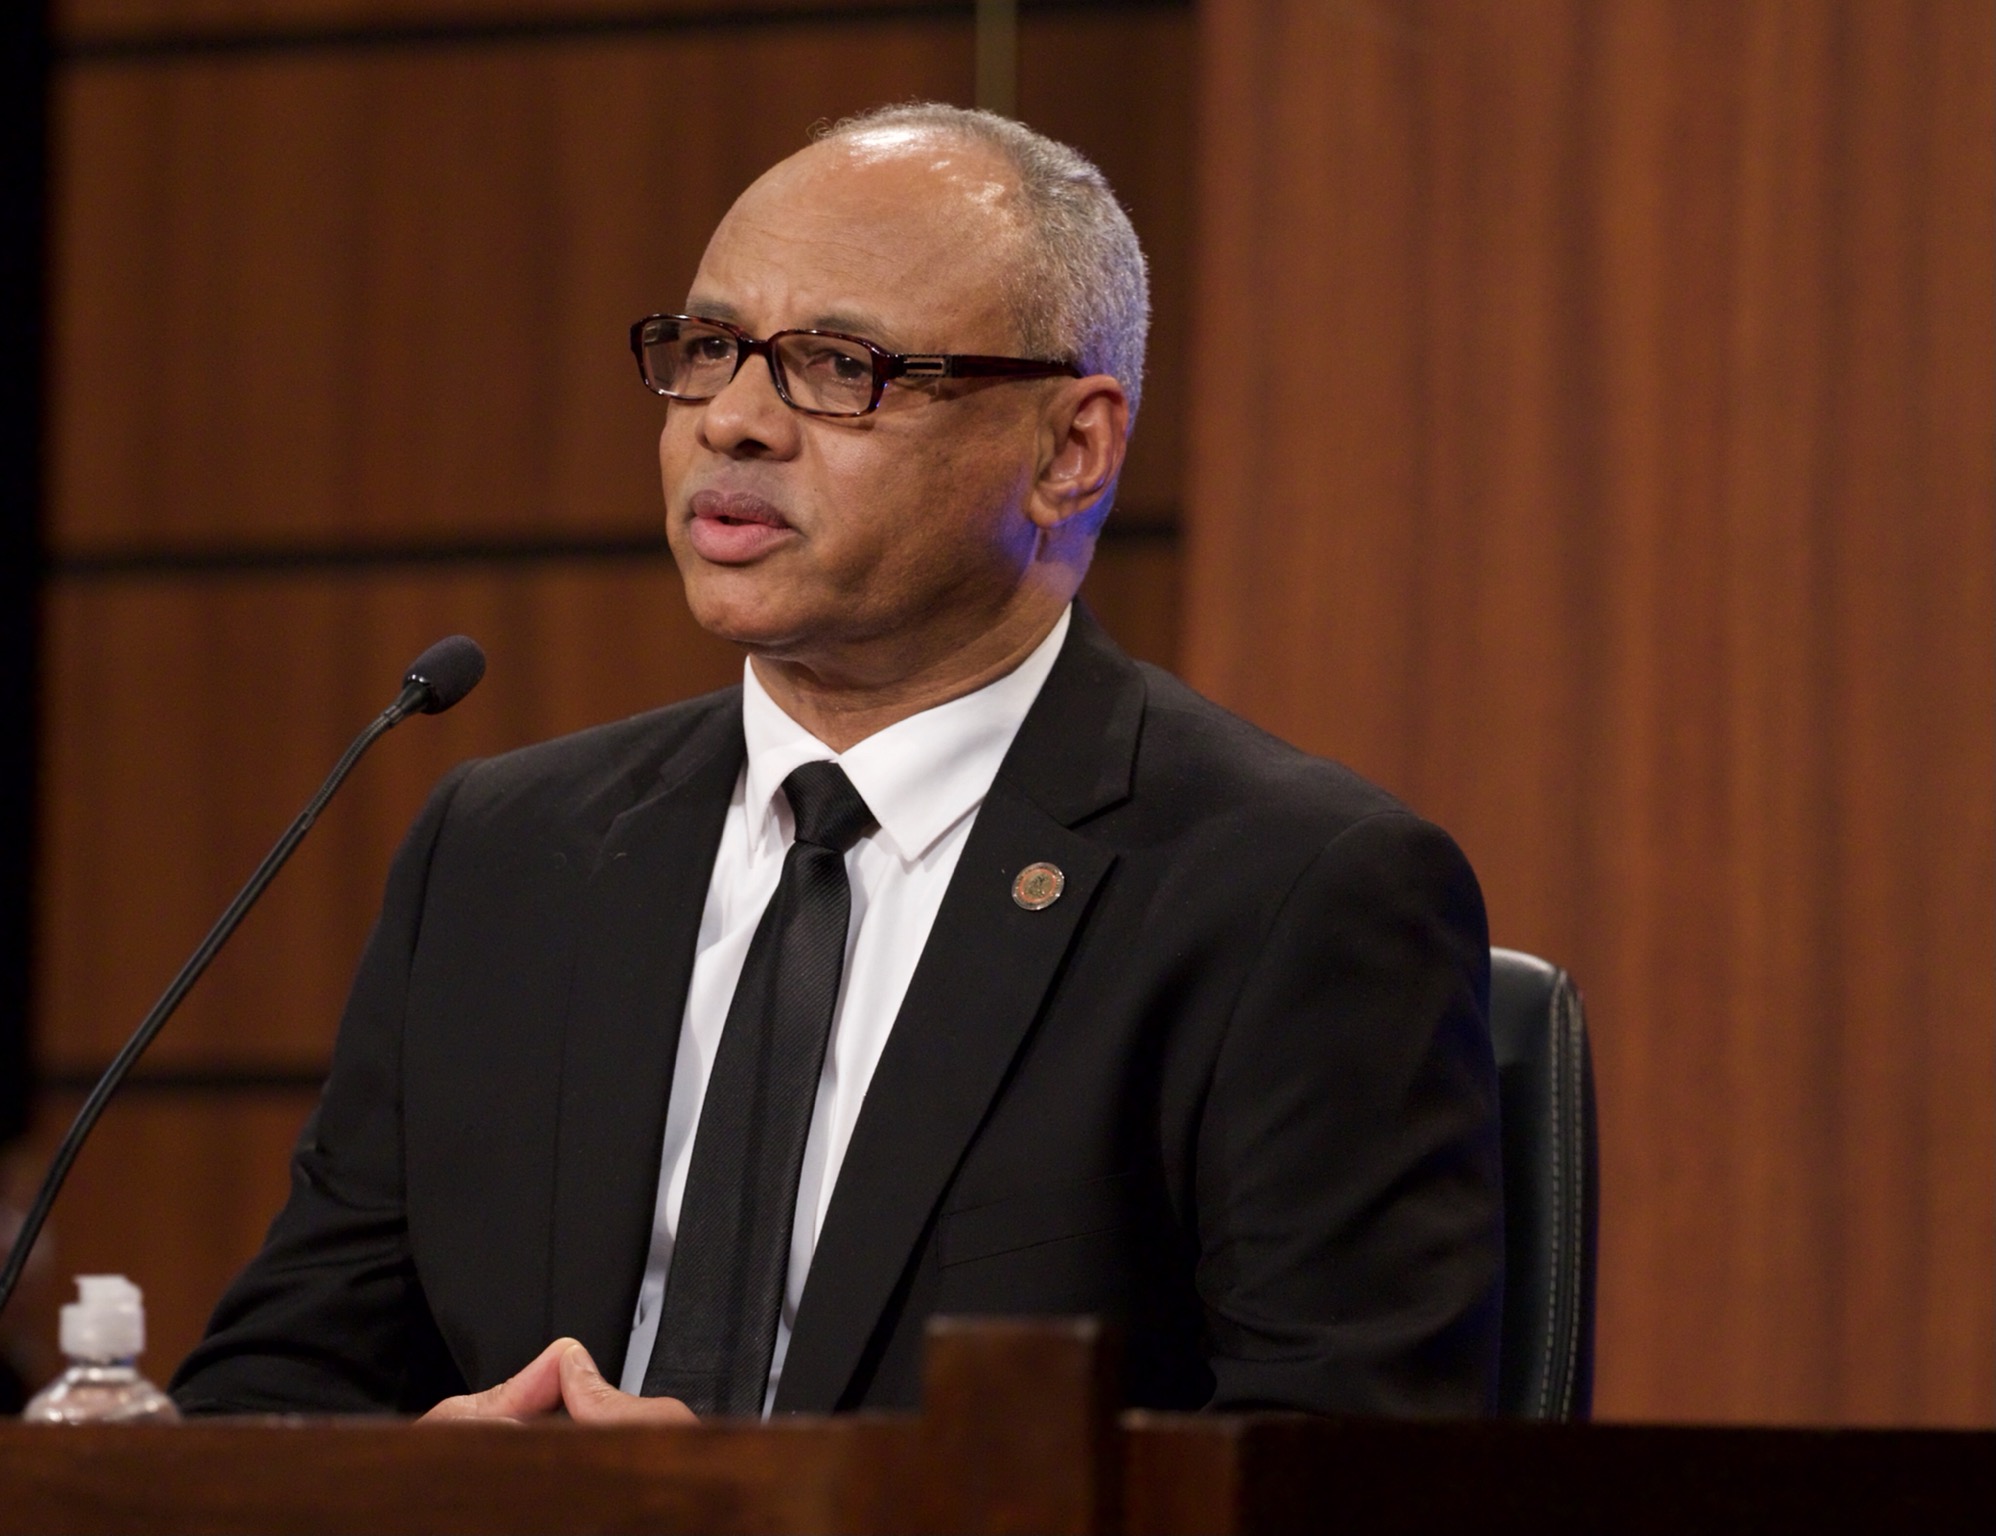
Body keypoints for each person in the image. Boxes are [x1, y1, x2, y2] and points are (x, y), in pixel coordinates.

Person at [172, 103, 1502, 1423]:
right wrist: (426, 1480)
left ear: (1070, 450)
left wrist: (748, 1515)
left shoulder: (1288, 893)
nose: (733, 422)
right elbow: (273, 1388)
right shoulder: (508, 850)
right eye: (708, 350)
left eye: (837, 365)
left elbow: (1340, 1467)